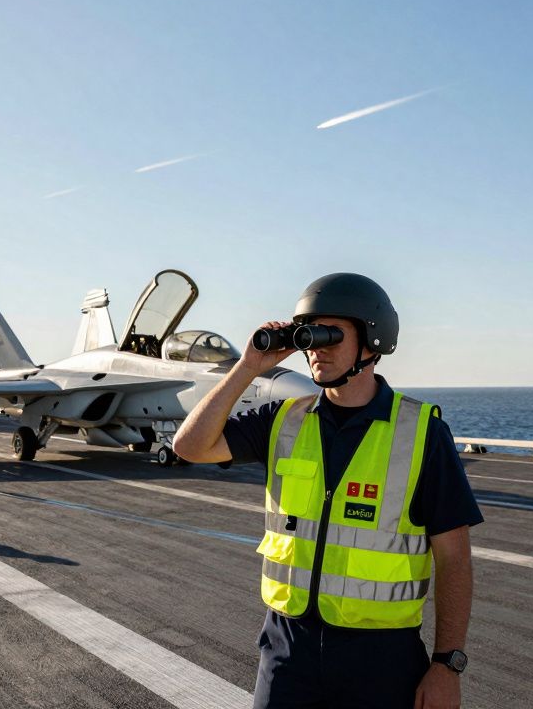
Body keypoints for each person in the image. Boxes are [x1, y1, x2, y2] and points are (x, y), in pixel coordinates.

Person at [173, 273, 482, 709]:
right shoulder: (283, 420)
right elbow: (189, 447)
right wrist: (247, 366)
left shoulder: (422, 434)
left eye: (331, 334)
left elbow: (454, 557)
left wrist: (447, 665)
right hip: (286, 648)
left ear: (372, 342)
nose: (316, 347)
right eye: (310, 335)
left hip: (381, 660)